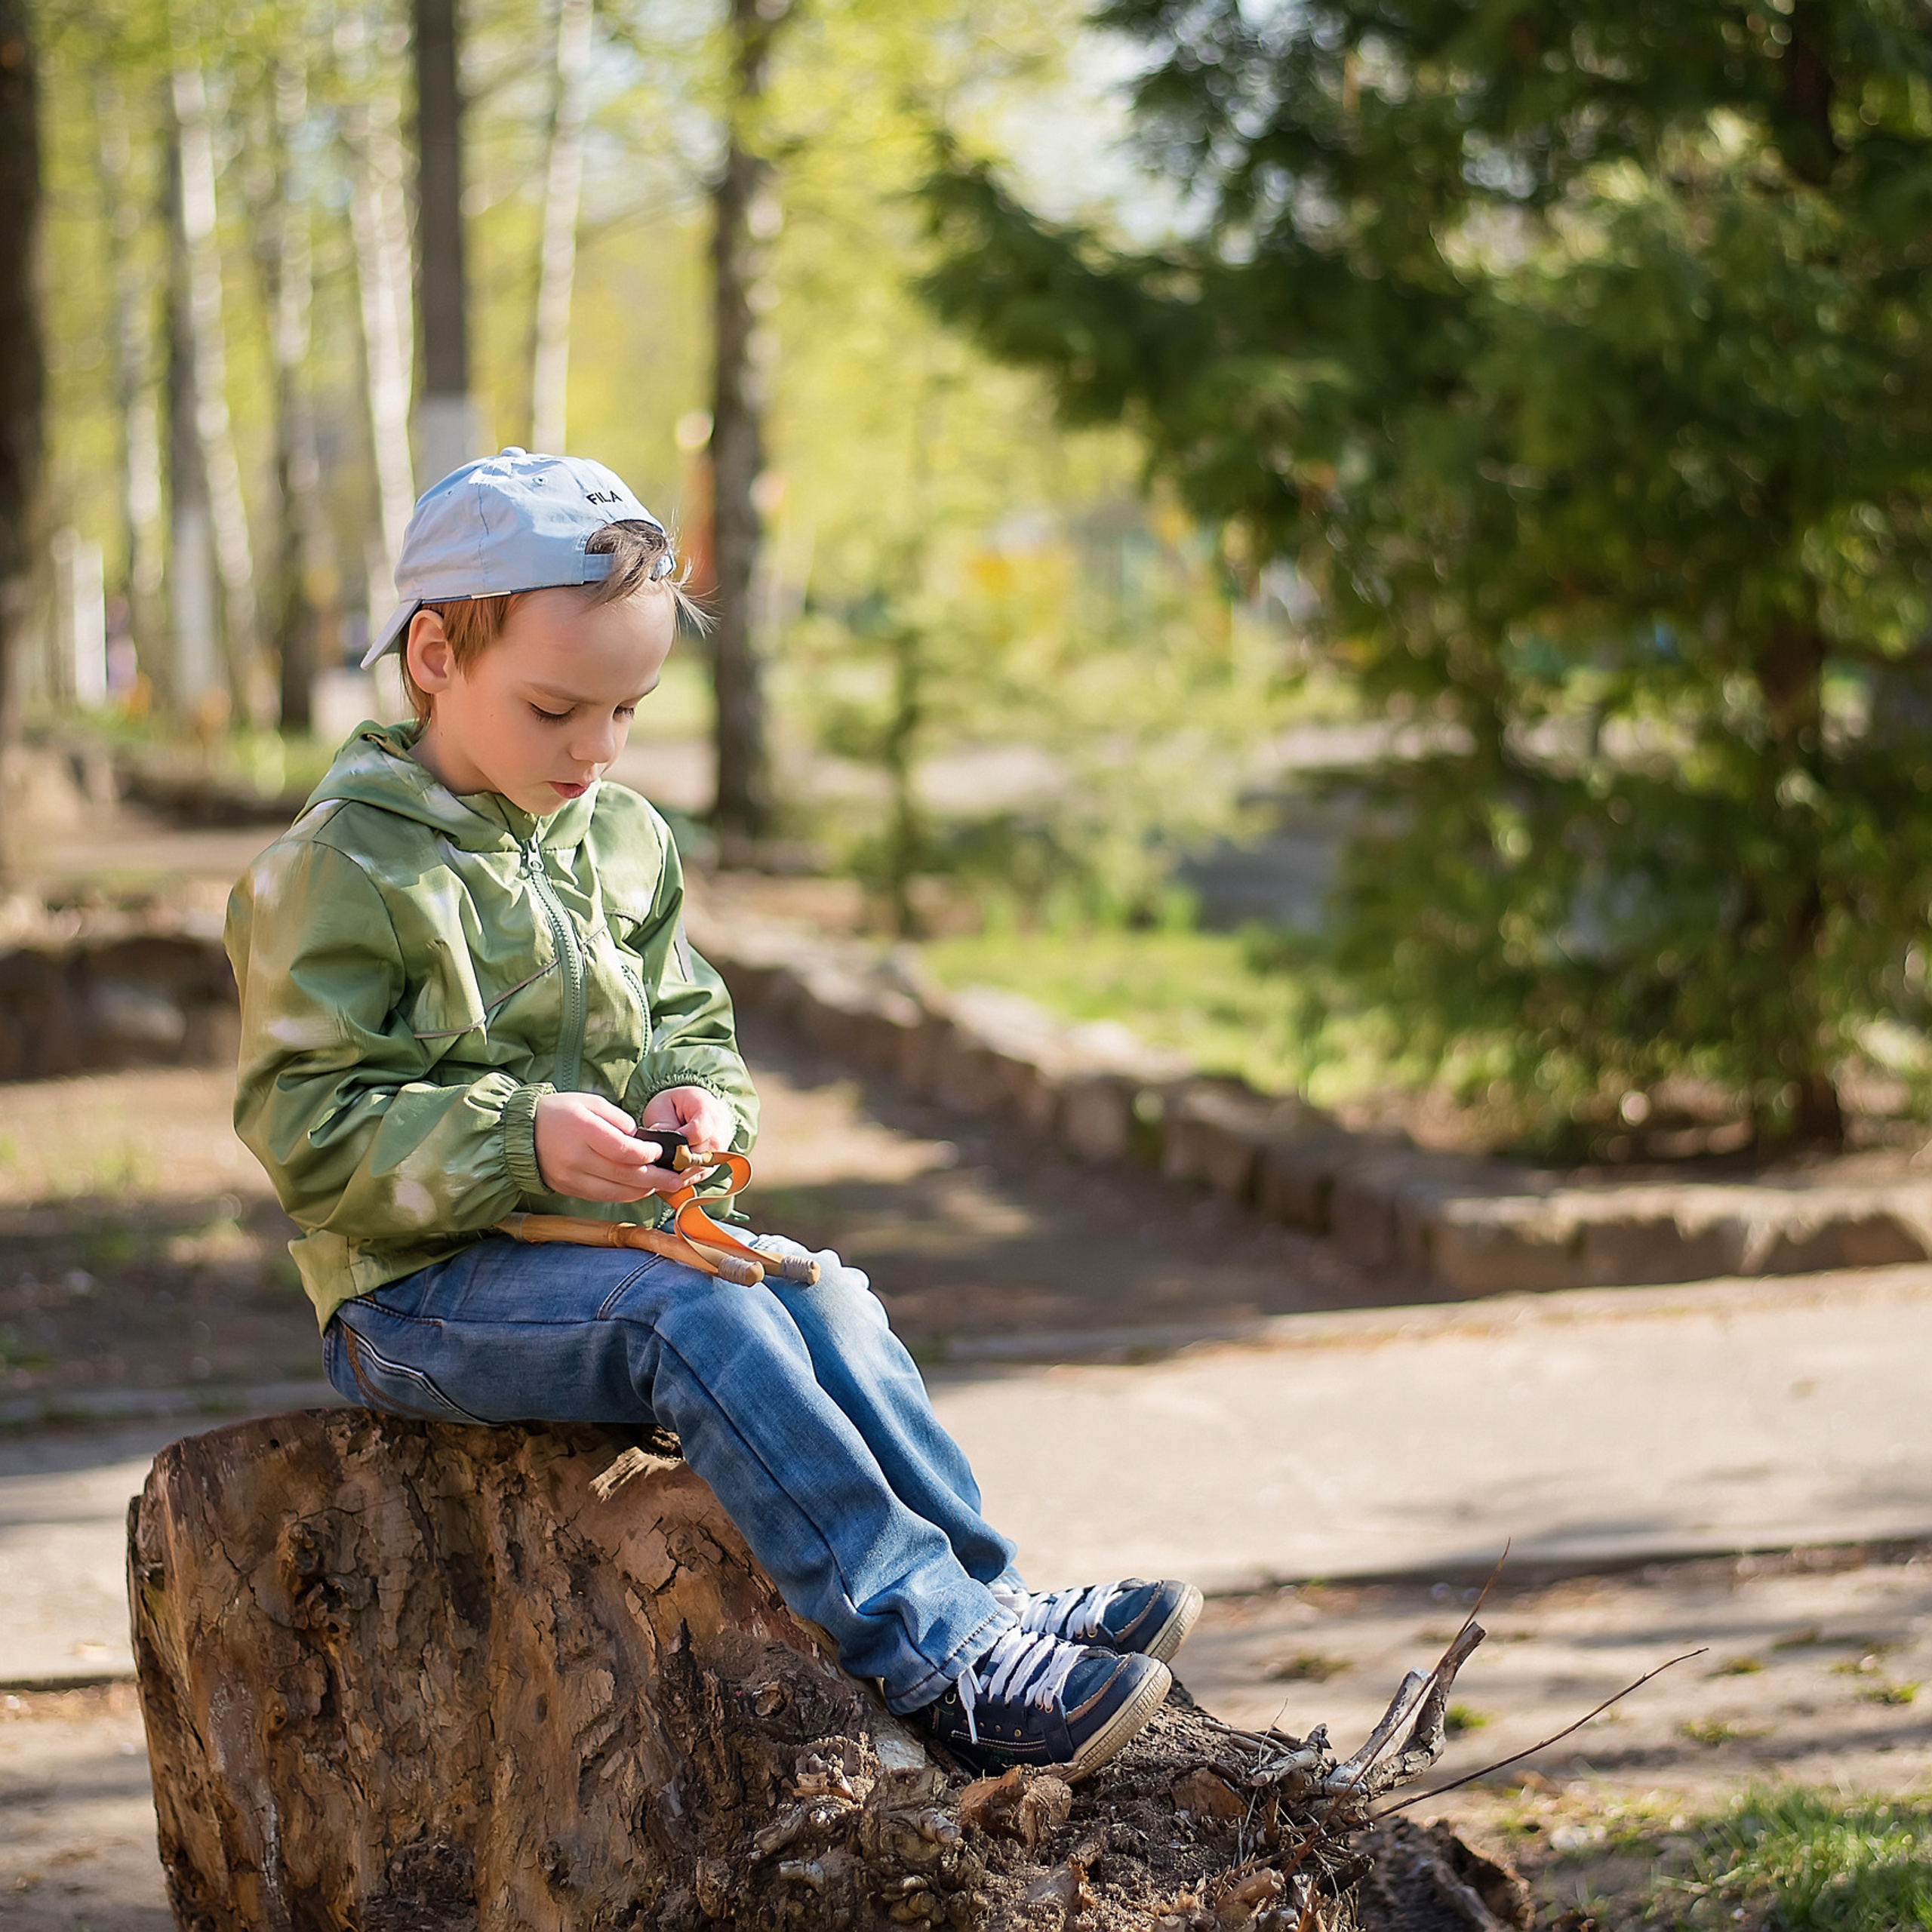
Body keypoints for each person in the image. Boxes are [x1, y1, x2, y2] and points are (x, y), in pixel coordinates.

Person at [226, 448, 1201, 1779]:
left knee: (825, 1292)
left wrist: (703, 1108)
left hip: (613, 1249)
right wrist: (520, 1140)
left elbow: (693, 1021)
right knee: (706, 1318)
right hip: (415, 1299)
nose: (597, 750)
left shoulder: (620, 839)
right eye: (558, 708)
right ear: (437, 654)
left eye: (627, 711)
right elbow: (308, 1128)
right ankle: (940, 1661)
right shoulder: (342, 867)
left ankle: (987, 1592)